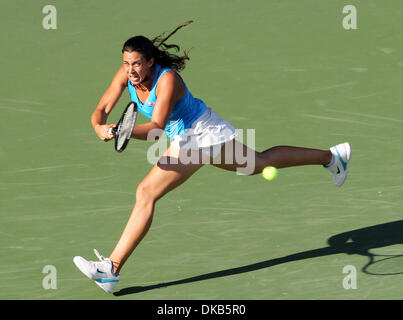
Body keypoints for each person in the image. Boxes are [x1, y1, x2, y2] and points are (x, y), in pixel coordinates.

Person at [73, 21, 352, 293]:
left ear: (149, 62)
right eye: (126, 63)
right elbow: (101, 109)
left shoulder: (167, 79)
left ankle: (111, 269)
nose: (130, 70)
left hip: (200, 134)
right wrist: (99, 127)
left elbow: (156, 129)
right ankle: (332, 157)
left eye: (136, 64)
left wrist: (124, 130)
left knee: (146, 192)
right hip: (189, 135)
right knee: (260, 163)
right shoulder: (125, 76)